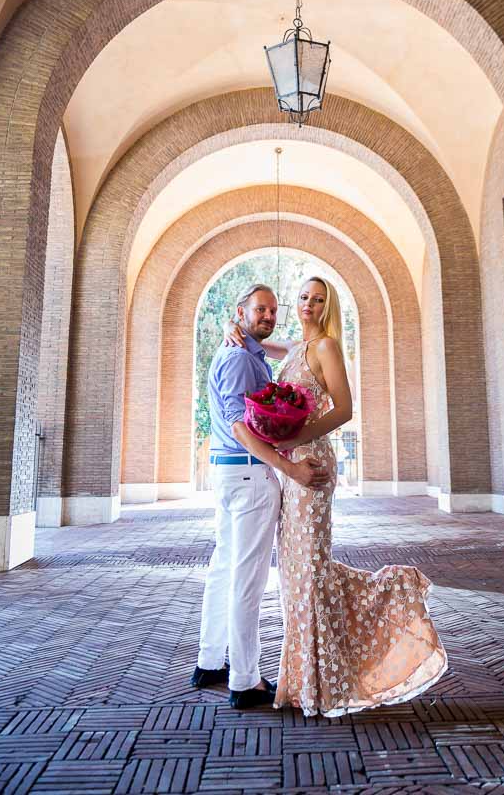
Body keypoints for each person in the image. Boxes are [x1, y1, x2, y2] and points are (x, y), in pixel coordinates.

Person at [225, 276, 448, 717]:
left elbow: (344, 409)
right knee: (295, 577)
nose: (309, 304)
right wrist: (234, 332)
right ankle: (304, 680)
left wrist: (296, 438)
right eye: (304, 297)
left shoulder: (326, 347)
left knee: (309, 571)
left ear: (329, 307)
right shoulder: (293, 349)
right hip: (289, 469)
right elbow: (257, 342)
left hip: (312, 468)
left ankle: (324, 680)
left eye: (319, 299)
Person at [190, 283, 330, 710]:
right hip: (249, 476)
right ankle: (244, 680)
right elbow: (238, 423)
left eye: (272, 310)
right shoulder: (237, 358)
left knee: (224, 568)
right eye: (259, 309)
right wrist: (287, 467)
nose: (267, 315)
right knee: (246, 580)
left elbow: (284, 348)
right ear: (241, 310)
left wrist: (238, 330)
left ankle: (210, 660)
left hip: (231, 475)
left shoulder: (248, 351)